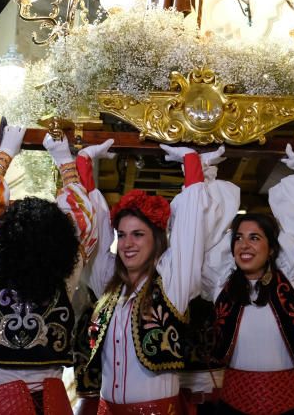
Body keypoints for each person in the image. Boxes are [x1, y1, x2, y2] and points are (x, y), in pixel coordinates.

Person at [77, 143, 233, 414]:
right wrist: (84, 163)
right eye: (122, 235)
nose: (127, 243)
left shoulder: (172, 283)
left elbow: (189, 230)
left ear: (156, 240)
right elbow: (95, 229)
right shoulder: (108, 285)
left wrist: (190, 162)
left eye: (138, 234)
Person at [0, 128, 109, 414]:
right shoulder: (68, 270)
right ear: (59, 238)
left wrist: (4, 154)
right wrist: (64, 159)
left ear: (4, 233)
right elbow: (82, 218)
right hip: (52, 406)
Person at [208, 212, 294, 414]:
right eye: (238, 238)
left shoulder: (293, 281)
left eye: (255, 238)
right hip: (233, 405)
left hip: (292, 405)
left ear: (272, 249)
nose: (244, 245)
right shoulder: (220, 286)